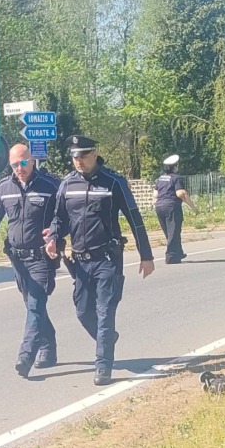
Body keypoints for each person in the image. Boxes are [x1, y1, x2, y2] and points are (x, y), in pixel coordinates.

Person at [45, 134, 155, 386]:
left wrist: (146, 255)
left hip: (107, 259)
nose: (79, 161)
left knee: (105, 312)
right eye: (75, 157)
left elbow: (135, 219)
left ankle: (103, 365)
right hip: (80, 262)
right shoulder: (67, 184)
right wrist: (52, 238)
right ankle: (108, 339)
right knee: (83, 312)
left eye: (83, 156)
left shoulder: (114, 182)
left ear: (94, 154)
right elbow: (59, 219)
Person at [0, 143, 61, 377]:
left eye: (23, 163)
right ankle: (49, 346)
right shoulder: (5, 188)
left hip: (42, 257)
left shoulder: (50, 186)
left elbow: (62, 217)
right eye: (14, 164)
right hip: (17, 259)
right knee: (32, 305)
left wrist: (55, 237)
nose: (19, 168)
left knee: (35, 304)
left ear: (32, 160)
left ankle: (26, 356)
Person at [153, 153, 197, 263]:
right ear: (175, 166)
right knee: (173, 231)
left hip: (159, 207)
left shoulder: (160, 178)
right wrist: (193, 208)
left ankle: (178, 253)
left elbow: (155, 194)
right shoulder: (176, 178)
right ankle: (171, 256)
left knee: (170, 233)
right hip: (171, 207)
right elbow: (180, 194)